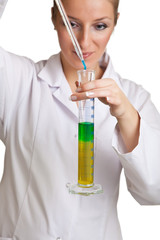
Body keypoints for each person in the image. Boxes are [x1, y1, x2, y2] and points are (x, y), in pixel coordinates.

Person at [0, 0, 160, 239]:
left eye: (100, 26)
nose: (84, 41)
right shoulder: (20, 81)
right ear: (55, 18)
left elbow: (154, 191)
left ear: (115, 21)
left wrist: (126, 114)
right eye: (72, 23)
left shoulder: (135, 98)